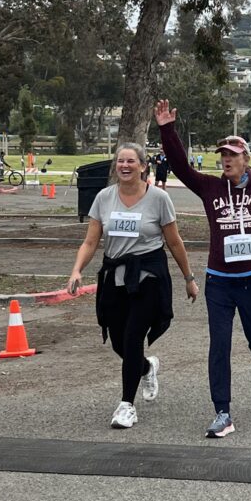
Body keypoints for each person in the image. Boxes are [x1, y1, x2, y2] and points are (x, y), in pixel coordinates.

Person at [154, 99, 251, 438]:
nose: (226, 160)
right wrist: (167, 130)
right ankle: (222, 412)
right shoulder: (210, 187)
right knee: (219, 344)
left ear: (245, 159)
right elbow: (181, 167)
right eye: (222, 156)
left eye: (232, 155)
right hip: (220, 282)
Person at [66, 143, 199, 428]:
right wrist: (77, 270)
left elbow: (174, 242)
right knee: (118, 341)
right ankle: (147, 367)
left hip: (147, 275)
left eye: (131, 161)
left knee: (132, 337)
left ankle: (127, 405)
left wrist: (189, 279)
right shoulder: (104, 197)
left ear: (142, 166)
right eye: (120, 162)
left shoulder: (159, 199)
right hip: (115, 275)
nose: (125, 166)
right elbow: (91, 241)